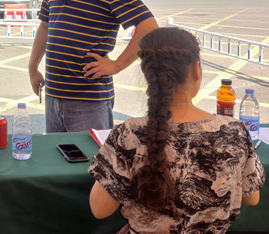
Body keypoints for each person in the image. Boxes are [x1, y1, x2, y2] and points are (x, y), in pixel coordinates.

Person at [88, 27, 265, 233]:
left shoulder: (129, 133)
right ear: (196, 69)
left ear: (148, 75)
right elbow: (252, 197)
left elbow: (99, 209)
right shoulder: (235, 130)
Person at [28, 0, 158, 132]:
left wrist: (117, 65)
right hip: (53, 94)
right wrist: (33, 68)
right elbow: (45, 26)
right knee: (57, 153)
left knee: (90, 155)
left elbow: (149, 28)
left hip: (89, 101)